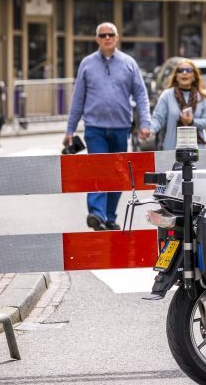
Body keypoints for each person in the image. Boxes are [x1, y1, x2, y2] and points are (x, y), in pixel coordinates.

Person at [64, 23, 152, 231]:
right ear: (97, 40)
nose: (107, 38)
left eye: (110, 34)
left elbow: (141, 94)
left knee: (118, 173)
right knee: (98, 170)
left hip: (121, 128)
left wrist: (145, 123)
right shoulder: (86, 64)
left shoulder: (129, 63)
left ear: (117, 37)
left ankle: (109, 216)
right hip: (95, 128)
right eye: (102, 35)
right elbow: (78, 99)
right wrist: (70, 129)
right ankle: (96, 213)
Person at [149, 58, 206, 151]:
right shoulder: (167, 95)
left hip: (198, 150)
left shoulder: (203, 96)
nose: (184, 72)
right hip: (172, 149)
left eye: (188, 70)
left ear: (194, 76)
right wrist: (150, 130)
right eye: (180, 71)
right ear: (176, 76)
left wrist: (192, 122)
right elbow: (158, 118)